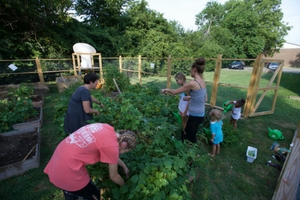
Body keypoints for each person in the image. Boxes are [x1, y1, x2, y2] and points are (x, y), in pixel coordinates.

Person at [44, 123, 136, 200]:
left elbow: (112, 155)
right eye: (126, 151)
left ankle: (70, 193)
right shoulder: (112, 147)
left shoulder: (106, 128)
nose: (123, 153)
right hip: (68, 170)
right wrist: (124, 186)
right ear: (124, 145)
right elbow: (114, 176)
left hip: (59, 160)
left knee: (69, 191)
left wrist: (124, 166)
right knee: (94, 194)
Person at [161, 57, 207, 143]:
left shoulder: (192, 83)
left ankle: (192, 153)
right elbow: (204, 98)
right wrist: (191, 97)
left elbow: (175, 92)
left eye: (190, 69)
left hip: (195, 115)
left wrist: (165, 90)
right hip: (201, 114)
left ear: (194, 69)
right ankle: (186, 147)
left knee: (191, 137)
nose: (190, 71)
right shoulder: (203, 82)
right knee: (190, 133)